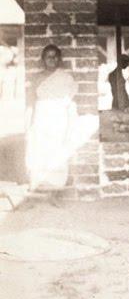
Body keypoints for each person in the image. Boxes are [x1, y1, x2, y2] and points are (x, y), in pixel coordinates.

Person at [25, 44, 79, 191]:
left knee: (57, 152)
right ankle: (40, 187)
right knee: (40, 151)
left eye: (55, 56)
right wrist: (28, 123)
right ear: (43, 59)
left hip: (58, 119)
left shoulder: (66, 78)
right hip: (42, 118)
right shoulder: (37, 78)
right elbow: (31, 103)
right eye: (48, 56)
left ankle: (55, 188)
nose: (52, 59)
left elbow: (69, 102)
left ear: (59, 59)